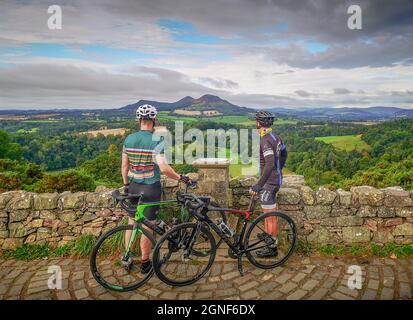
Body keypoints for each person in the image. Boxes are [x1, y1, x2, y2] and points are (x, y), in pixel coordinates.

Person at [121, 104, 191, 273]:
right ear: (154, 120)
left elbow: (124, 166)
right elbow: (164, 168)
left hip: (133, 186)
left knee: (132, 222)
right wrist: (181, 177)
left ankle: (127, 257)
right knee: (147, 226)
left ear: (139, 120)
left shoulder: (129, 139)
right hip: (150, 188)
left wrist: (126, 185)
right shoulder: (156, 140)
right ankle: (145, 263)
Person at [249, 110, 287, 257]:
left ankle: (272, 247)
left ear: (258, 123)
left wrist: (259, 185)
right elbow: (284, 154)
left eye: (256, 121)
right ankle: (268, 236)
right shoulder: (275, 137)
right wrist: (280, 169)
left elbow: (269, 163)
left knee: (270, 216)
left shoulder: (265, 140)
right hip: (275, 179)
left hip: (269, 183)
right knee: (267, 213)